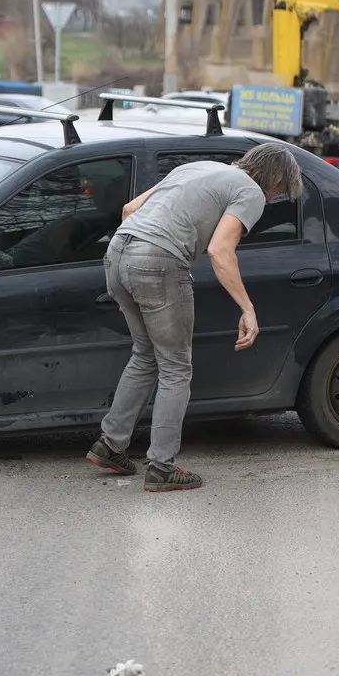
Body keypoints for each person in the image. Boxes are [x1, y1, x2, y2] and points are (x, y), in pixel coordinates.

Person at [85, 142, 304, 492]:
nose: (278, 196)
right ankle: (161, 467)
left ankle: (110, 445)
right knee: (176, 367)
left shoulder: (200, 167)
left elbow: (129, 210)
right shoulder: (251, 193)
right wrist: (247, 308)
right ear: (276, 182)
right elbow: (220, 250)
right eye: (281, 190)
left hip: (118, 255)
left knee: (145, 355)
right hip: (158, 263)